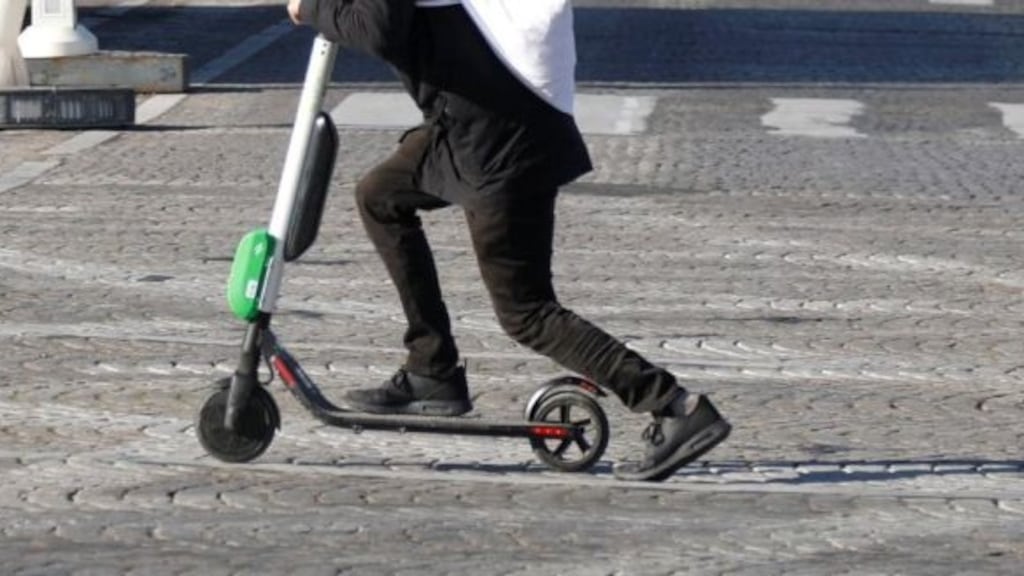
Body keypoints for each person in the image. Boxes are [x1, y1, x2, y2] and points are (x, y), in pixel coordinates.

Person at [286, 0, 731, 481]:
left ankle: (675, 405)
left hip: (500, 130)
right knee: (381, 196)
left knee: (527, 312)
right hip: (475, 118)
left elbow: (379, 29)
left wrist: (308, 7)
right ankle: (432, 370)